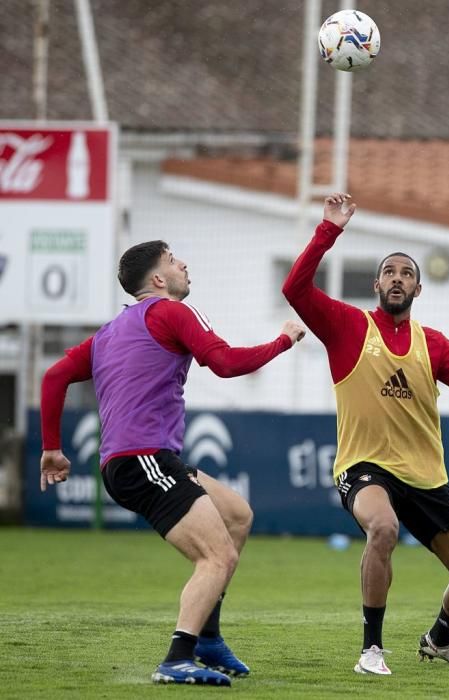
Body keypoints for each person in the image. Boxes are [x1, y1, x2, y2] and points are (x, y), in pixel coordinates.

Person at [40, 239, 305, 687]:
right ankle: (178, 656)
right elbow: (223, 363)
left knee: (237, 516)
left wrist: (52, 447)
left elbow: (54, 375)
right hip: (143, 459)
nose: (184, 263)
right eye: (173, 260)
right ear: (159, 280)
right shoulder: (172, 312)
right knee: (216, 556)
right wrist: (284, 340)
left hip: (141, 460)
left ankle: (208, 638)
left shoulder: (108, 332)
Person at [282, 194, 449, 675]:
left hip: (425, 476)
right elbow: (295, 287)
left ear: (418, 289)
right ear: (376, 284)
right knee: (383, 528)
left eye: (406, 273)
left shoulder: (431, 343)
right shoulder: (348, 326)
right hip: (365, 466)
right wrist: (329, 229)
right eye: (389, 272)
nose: (397, 278)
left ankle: (438, 640)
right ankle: (371, 649)